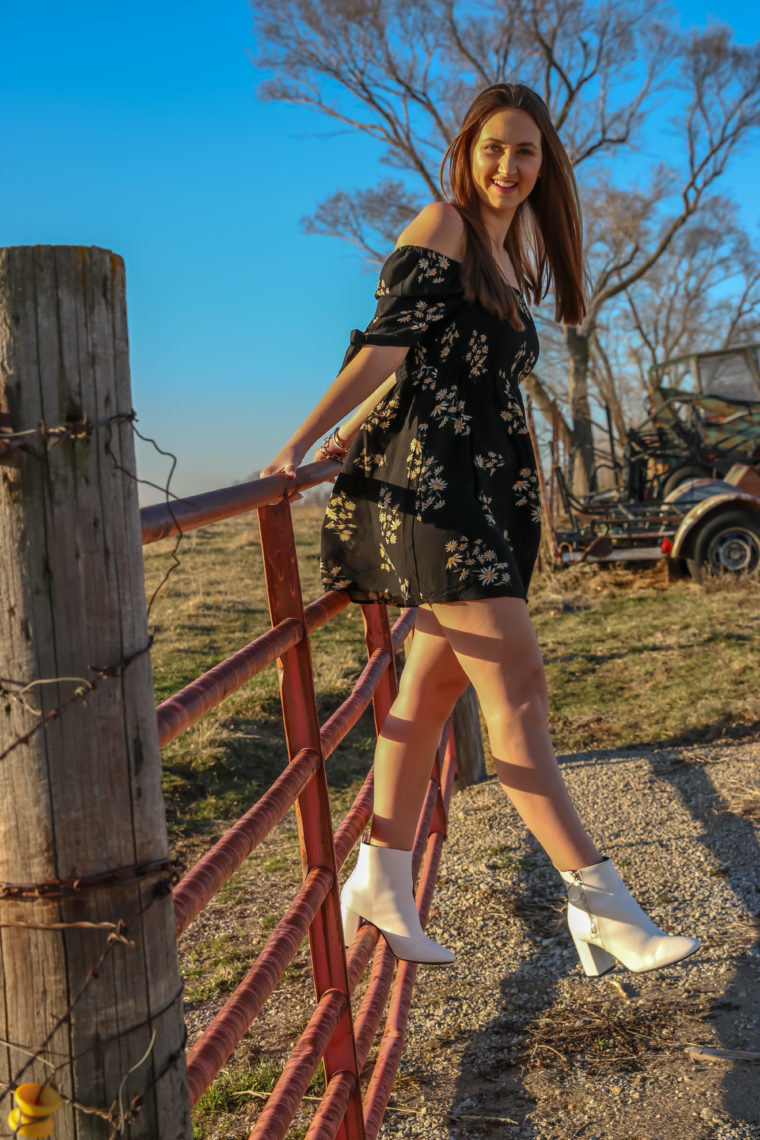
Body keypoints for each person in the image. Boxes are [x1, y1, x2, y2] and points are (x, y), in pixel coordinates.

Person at [261, 83, 699, 976]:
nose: (509, 166)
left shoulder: (508, 253)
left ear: (546, 167)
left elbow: (428, 359)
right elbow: (385, 348)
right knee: (520, 695)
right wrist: (305, 441)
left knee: (426, 698)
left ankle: (381, 878)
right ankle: (601, 904)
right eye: (494, 147)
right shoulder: (444, 225)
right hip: (432, 498)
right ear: (465, 150)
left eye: (527, 152)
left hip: (483, 499)